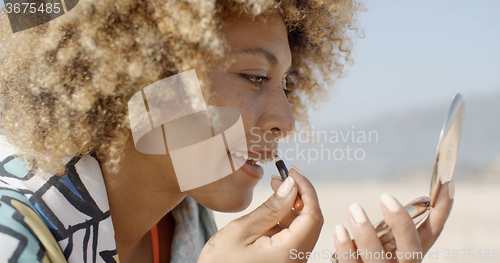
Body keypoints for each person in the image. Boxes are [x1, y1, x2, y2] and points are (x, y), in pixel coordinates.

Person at [0, 0, 454, 262]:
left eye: (287, 85)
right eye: (255, 76)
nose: (287, 119)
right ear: (140, 78)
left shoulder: (188, 223)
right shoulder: (12, 236)